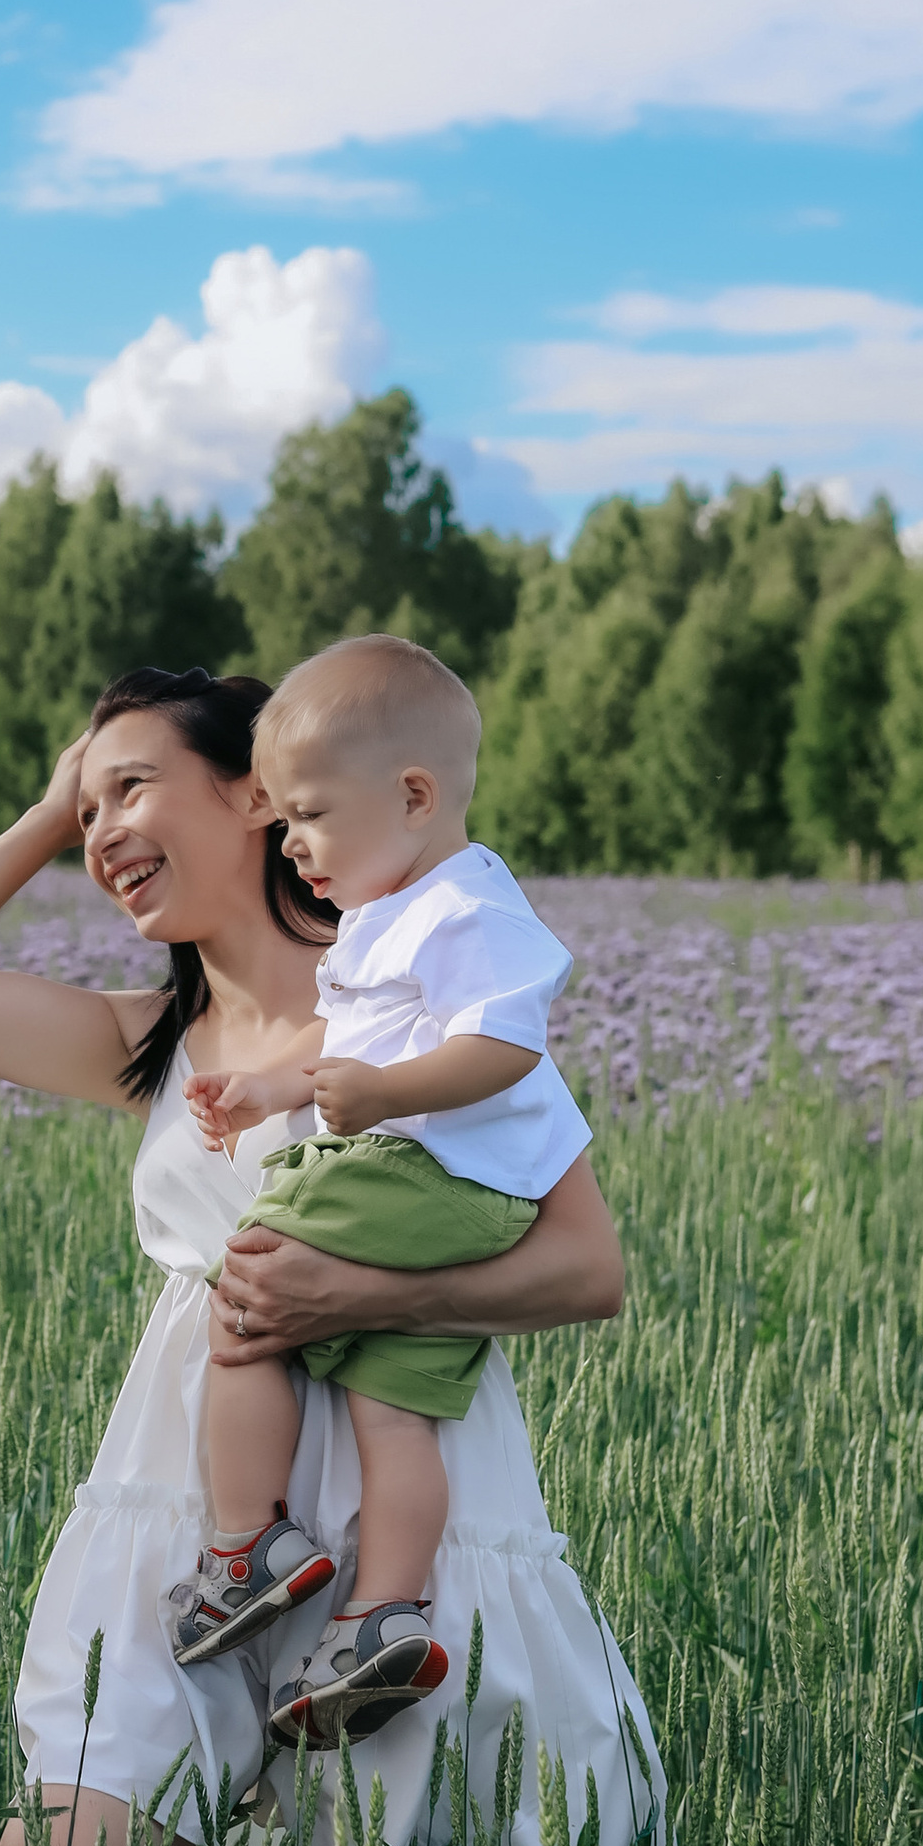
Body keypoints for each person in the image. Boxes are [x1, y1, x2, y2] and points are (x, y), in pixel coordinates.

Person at [0, 661, 665, 1846]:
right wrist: (54, 810)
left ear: (256, 798)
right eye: (85, 805)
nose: (102, 833)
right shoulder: (150, 1046)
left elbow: (588, 1269)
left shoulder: (431, 1033)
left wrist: (368, 1286)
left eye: (132, 789)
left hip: (397, 1512)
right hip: (189, 1517)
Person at [180, 634, 593, 1748]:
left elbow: (504, 1046)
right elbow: (345, 1039)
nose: (293, 845)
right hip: (449, 1191)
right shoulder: (396, 914)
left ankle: (243, 1546)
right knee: (393, 1409)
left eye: (308, 814)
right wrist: (270, 1084)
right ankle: (384, 1616)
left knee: (250, 1284)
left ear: (413, 795)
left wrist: (379, 1097)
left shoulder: (465, 910)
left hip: (427, 1173)